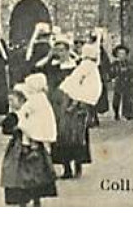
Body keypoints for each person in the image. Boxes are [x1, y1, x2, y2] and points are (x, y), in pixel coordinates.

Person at [0, 77, 57, 207]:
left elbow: (24, 121)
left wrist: (18, 125)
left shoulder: (33, 102)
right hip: (33, 143)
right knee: (37, 172)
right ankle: (33, 197)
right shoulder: (41, 101)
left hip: (26, 145)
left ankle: (26, 197)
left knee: (22, 172)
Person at [54, 41, 102, 179]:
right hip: (66, 103)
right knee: (67, 136)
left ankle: (75, 167)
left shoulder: (83, 67)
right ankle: (69, 167)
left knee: (74, 136)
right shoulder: (87, 67)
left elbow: (80, 87)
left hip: (74, 104)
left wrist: (74, 102)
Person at [111, 44, 133, 120]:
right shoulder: (114, 64)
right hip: (118, 82)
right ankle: (116, 114)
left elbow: (132, 73)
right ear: (117, 55)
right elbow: (111, 73)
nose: (121, 56)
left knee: (127, 99)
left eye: (123, 54)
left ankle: (127, 114)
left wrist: (131, 79)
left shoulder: (128, 64)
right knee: (116, 100)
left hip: (127, 83)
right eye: (120, 54)